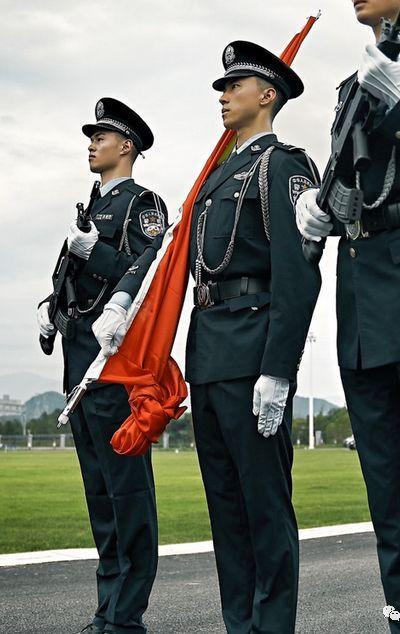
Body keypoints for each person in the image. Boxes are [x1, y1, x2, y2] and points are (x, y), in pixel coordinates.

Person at [93, 42, 321, 633]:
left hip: (253, 351)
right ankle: (239, 625)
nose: (222, 95)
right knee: (226, 509)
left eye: (233, 85)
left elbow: (298, 273)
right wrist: (124, 300)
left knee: (265, 507)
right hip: (210, 352)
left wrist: (279, 368)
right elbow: (173, 254)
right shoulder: (216, 177)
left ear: (266, 95)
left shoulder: (283, 166)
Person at [296, 1, 400, 631]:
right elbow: (353, 187)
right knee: (391, 509)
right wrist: (321, 208)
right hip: (362, 297)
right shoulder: (348, 89)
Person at [37, 98, 168, 634]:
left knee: (126, 493)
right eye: (91, 138)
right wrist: (52, 307)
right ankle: (107, 610)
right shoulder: (90, 207)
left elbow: (150, 275)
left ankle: (126, 615)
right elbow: (74, 277)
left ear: (126, 146)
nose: (92, 145)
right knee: (99, 495)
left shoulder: (141, 203)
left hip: (114, 368)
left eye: (101, 137)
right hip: (78, 367)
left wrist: (96, 253)